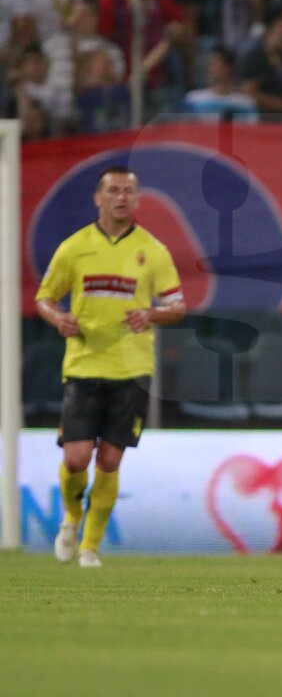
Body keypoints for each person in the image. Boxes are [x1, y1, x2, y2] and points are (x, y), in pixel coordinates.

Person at [35, 166, 187, 568]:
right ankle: (70, 518)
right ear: (98, 198)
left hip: (132, 367)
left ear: (138, 200)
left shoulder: (153, 251)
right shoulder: (75, 247)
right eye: (114, 190)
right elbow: (45, 298)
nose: (122, 197)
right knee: (76, 458)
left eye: (130, 191)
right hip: (84, 364)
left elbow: (178, 306)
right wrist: (58, 319)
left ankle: (89, 546)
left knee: (110, 460)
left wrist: (151, 315)